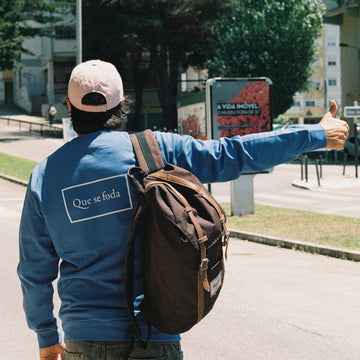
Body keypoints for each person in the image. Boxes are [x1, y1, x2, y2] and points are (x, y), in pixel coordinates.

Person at [17, 59, 349, 360]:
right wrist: (315, 134)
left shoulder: (45, 177)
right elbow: (232, 154)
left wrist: (47, 336)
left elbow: (35, 272)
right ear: (121, 105)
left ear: (68, 108)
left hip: (86, 340)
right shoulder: (155, 151)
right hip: (158, 331)